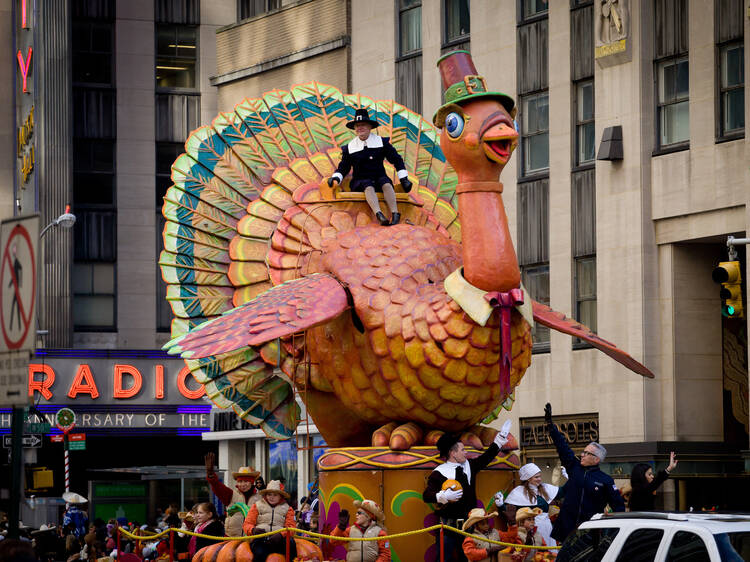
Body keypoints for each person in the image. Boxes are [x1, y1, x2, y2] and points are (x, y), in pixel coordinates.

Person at [423, 420, 512, 562]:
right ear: (452, 453)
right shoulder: (439, 472)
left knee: (469, 559)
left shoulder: (470, 466)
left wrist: (500, 438)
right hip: (448, 528)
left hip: (469, 528)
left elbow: (487, 457)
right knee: (443, 558)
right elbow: (426, 495)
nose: (466, 452)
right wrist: (442, 496)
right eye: (462, 450)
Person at [544, 403, 625, 543]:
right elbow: (562, 446)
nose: (582, 455)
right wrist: (550, 425)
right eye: (583, 452)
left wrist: (611, 531)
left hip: (589, 534)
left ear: (596, 459)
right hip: (566, 531)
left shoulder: (606, 480)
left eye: (586, 453)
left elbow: (619, 508)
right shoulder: (574, 467)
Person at [328, 108, 413, 225]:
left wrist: (404, 179)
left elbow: (397, 159)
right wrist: (336, 178)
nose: (359, 128)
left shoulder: (381, 142)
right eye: (357, 126)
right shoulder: (350, 148)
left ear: (369, 127)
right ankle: (379, 214)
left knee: (387, 184)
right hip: (360, 181)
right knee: (368, 186)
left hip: (379, 177)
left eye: (363, 125)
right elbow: (344, 167)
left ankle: (395, 213)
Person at [204, 452, 261, 538]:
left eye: (246, 481)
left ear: (252, 483)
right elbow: (217, 486)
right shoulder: (231, 494)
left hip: (252, 539)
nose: (243, 484)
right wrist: (211, 474)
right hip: (231, 538)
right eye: (240, 481)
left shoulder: (260, 498)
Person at [502, 462, 559, 546]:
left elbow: (563, 491)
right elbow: (508, 511)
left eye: (540, 476)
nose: (540, 479)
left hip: (547, 527)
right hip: (530, 529)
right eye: (536, 477)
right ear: (528, 478)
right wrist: (500, 505)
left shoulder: (544, 488)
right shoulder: (518, 492)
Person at [241, 480, 297, 562]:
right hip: (261, 539)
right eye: (269, 494)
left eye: (275, 495)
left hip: (280, 540)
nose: (271, 497)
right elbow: (247, 524)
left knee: (291, 546)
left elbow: (291, 527)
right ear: (265, 495)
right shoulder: (256, 506)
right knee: (259, 554)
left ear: (280, 496)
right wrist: (253, 530)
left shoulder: (288, 509)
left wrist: (281, 535)